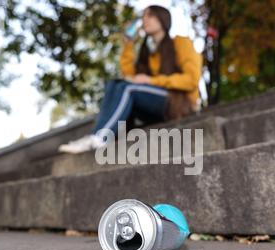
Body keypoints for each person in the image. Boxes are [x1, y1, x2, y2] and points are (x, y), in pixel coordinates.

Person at [59, 5, 202, 154]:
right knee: (115, 84)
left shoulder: (181, 43)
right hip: (155, 105)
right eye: (143, 16)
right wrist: (128, 46)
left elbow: (191, 80)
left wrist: (151, 81)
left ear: (163, 19)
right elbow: (129, 77)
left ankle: (99, 138)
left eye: (150, 15)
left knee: (128, 88)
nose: (144, 19)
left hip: (180, 104)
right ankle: (101, 134)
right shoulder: (148, 52)